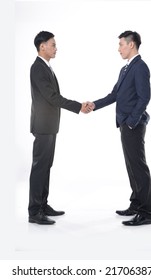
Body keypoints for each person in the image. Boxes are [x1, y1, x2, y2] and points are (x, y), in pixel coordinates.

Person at [87, 31, 151, 226]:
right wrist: (94, 105)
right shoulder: (125, 69)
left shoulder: (140, 67)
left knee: (138, 167)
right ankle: (136, 204)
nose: (119, 49)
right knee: (131, 166)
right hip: (124, 123)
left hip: (133, 124)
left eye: (121, 45)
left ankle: (146, 213)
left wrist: (132, 121)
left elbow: (144, 97)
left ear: (131, 44)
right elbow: (114, 94)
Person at [28, 31, 90, 225]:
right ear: (42, 46)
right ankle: (34, 212)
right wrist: (78, 106)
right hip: (43, 126)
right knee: (40, 168)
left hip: (50, 126)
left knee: (46, 166)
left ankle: (42, 205)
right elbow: (52, 97)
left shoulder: (46, 68)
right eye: (53, 44)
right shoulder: (38, 68)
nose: (56, 48)